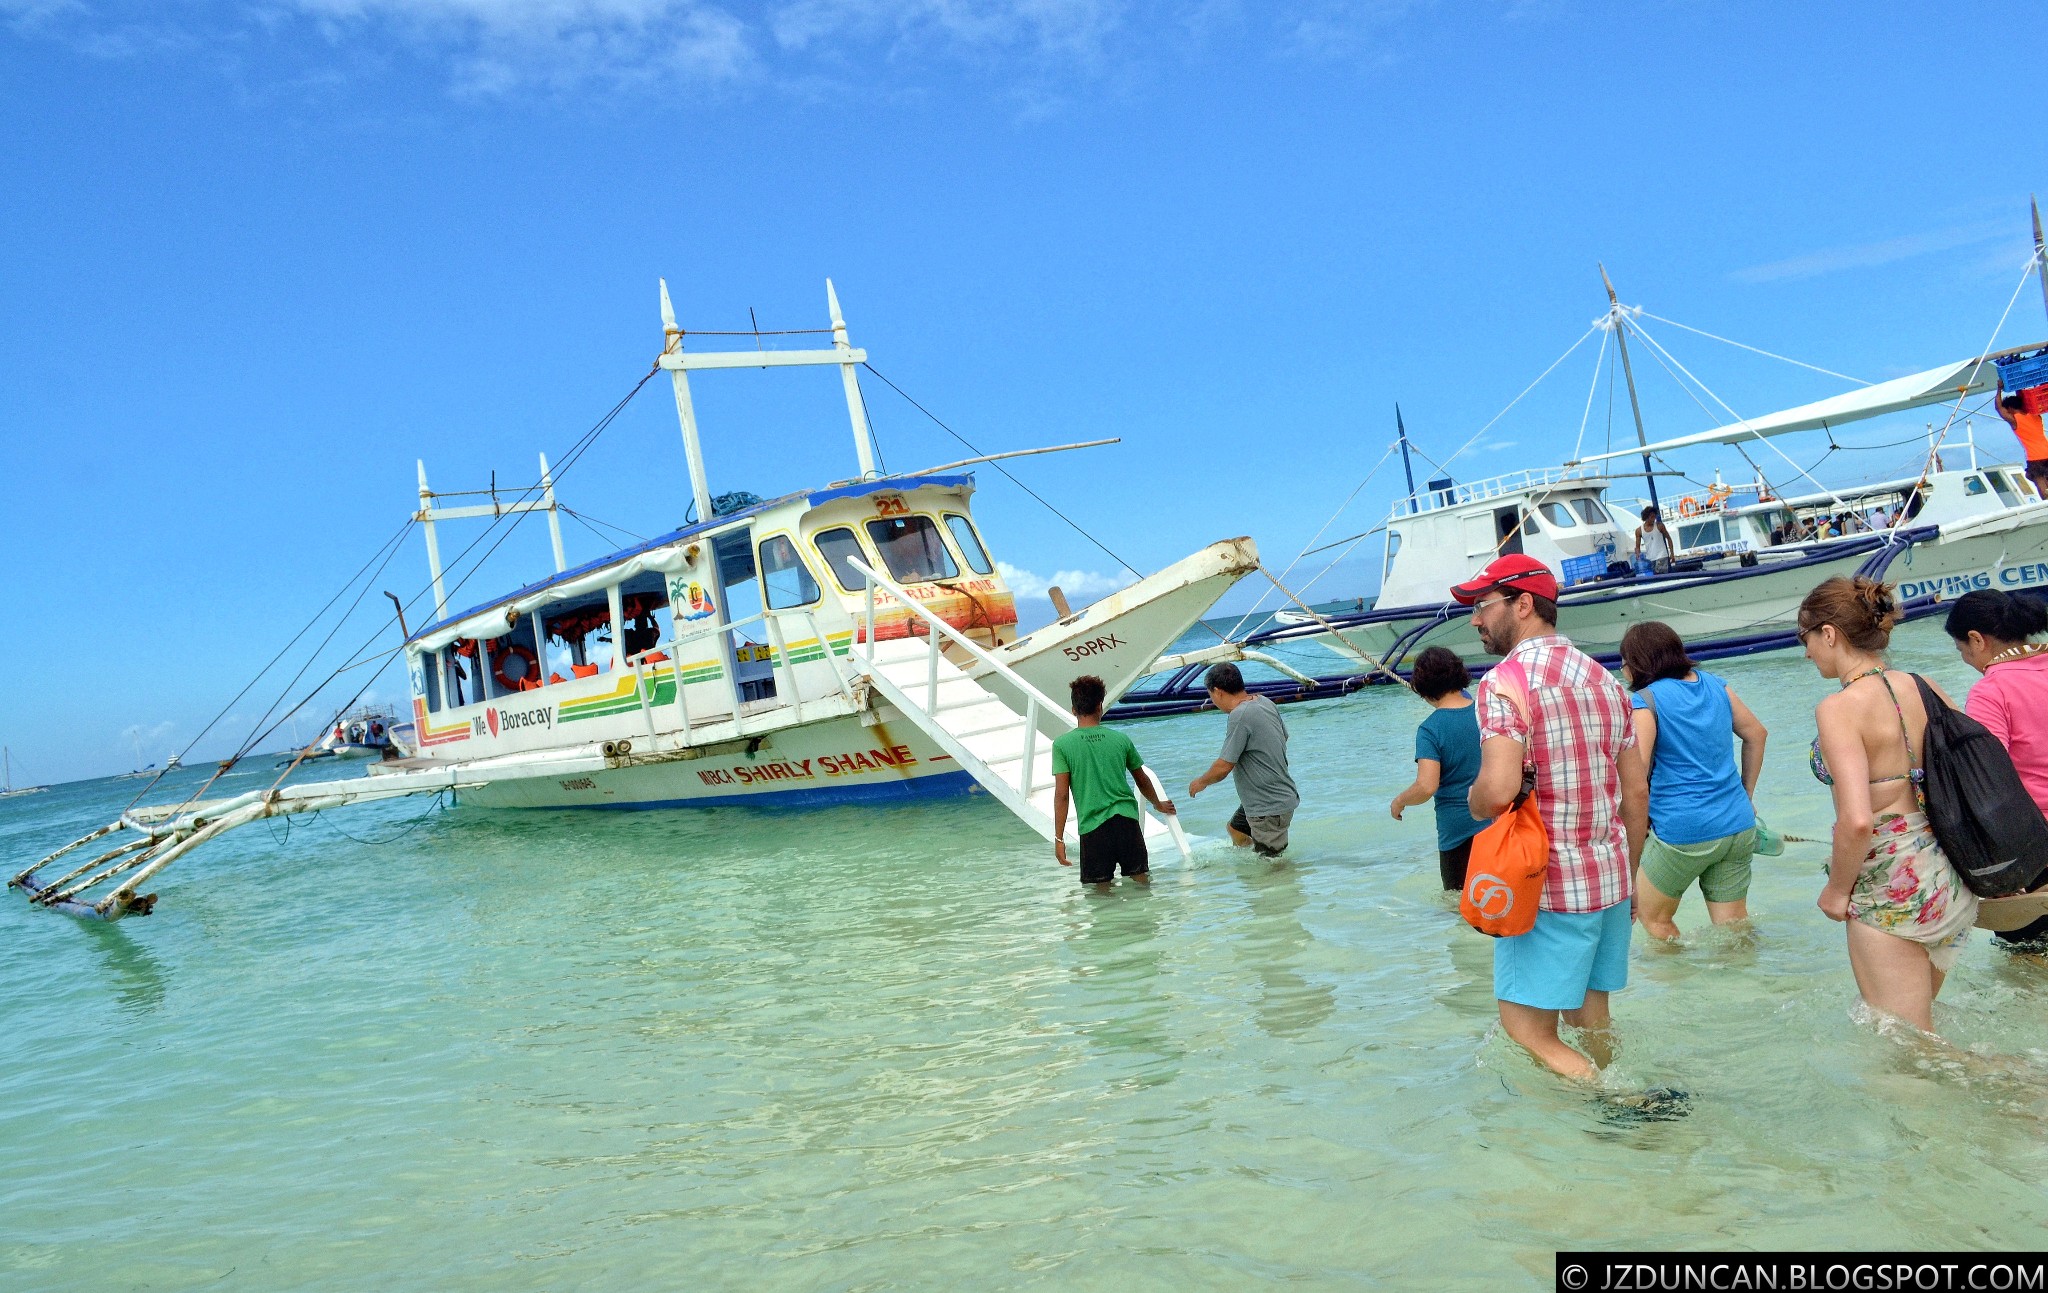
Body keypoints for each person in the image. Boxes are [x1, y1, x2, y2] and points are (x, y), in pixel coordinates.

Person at [1459, 554, 1649, 1081]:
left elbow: (1496, 792)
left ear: (1523, 604)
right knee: (1592, 1017)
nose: (1475, 619)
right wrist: (1629, 878)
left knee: (1527, 1028)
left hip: (1546, 887)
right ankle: (1619, 1085)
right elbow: (1635, 792)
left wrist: (1472, 801)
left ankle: (1619, 1106)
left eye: (1482, 605)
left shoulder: (1504, 682)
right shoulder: (1607, 682)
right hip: (1608, 881)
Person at [1799, 576, 1977, 1033]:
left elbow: (1857, 820)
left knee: (1908, 1051)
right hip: (1947, 878)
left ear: (1830, 634)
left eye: (1805, 639)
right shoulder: (1923, 685)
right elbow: (1972, 763)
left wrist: (1837, 892)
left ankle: (2023, 1093)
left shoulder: (1839, 708)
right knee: (1919, 1031)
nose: (1806, 652)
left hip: (1890, 884)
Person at [1618, 621, 1767, 939]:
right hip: (1738, 824)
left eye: (1624, 661)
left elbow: (1637, 778)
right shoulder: (1717, 685)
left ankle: (1681, 985)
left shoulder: (1646, 702)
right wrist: (1747, 793)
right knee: (1734, 930)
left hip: (1683, 832)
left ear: (1636, 663)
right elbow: (1757, 734)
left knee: (1652, 916)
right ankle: (1746, 986)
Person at [1943, 589, 2048, 946]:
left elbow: (1986, 780)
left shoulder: (1993, 690)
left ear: (1977, 639)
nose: (1965, 659)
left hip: (2035, 846)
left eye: (1962, 650)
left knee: (2028, 960)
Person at [1050, 674, 1176, 888]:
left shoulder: (1062, 745)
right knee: (1142, 884)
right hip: (1127, 823)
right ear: (1100, 706)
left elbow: (1062, 795)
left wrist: (1059, 838)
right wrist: (1158, 804)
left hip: (1093, 828)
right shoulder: (1120, 739)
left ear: (1073, 709)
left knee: (1101, 896)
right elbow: (1142, 779)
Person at [1390, 646, 1485, 891]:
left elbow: (1426, 785)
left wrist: (1400, 801)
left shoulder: (1430, 729)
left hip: (1458, 833)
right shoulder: (1486, 711)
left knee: (1460, 907)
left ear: (1423, 689)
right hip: (1498, 822)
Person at [1187, 662, 1299, 857]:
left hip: (1268, 805)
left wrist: (1200, 782)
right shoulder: (1265, 702)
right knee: (1235, 829)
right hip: (1269, 797)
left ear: (1217, 691)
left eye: (1210, 695)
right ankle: (1247, 875)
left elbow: (1224, 766)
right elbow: (1284, 737)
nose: (1212, 700)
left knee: (1272, 866)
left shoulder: (1239, 715)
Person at [1994, 390, 2048, 499]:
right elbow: (2025, 399)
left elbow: (1998, 408)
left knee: (2039, 480)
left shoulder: (2015, 420)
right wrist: (2018, 389)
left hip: (2035, 457)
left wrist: (1999, 389)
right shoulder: (2036, 416)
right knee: (2033, 476)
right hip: (2046, 451)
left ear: (2009, 408)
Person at [1634, 505, 1674, 574]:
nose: (1653, 519)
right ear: (1646, 517)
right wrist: (1638, 554)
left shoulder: (1660, 526)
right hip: (1650, 558)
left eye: (1654, 517)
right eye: (1651, 517)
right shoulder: (1639, 530)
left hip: (1662, 556)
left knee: (1662, 576)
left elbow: (1669, 538)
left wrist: (1672, 553)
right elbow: (1637, 547)